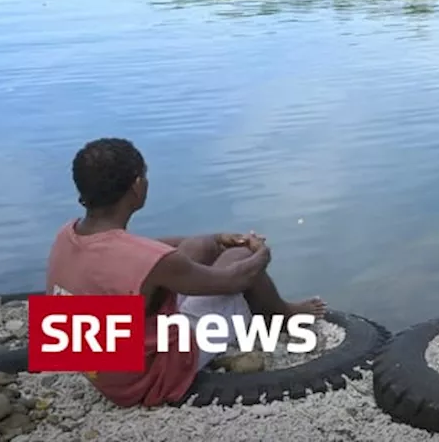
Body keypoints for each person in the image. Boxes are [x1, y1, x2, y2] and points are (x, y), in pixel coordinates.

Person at [45, 137, 327, 408]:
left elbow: (150, 251)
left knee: (197, 246)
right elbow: (235, 278)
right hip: (144, 378)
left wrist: (214, 239)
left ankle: (245, 297)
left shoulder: (65, 234)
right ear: (138, 186)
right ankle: (283, 314)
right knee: (238, 257)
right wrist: (261, 254)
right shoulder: (149, 261)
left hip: (97, 366)